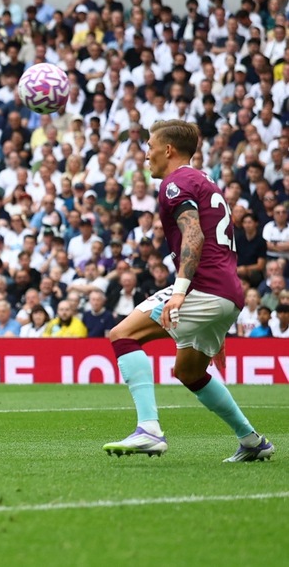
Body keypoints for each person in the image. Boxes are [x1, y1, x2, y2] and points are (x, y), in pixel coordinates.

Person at [103, 121, 274, 462]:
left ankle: (148, 429)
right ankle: (252, 441)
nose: (146, 154)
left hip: (202, 288)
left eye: (150, 146)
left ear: (168, 150)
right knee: (189, 372)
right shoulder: (203, 181)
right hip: (227, 293)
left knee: (123, 334)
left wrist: (180, 292)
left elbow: (194, 235)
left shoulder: (175, 184)